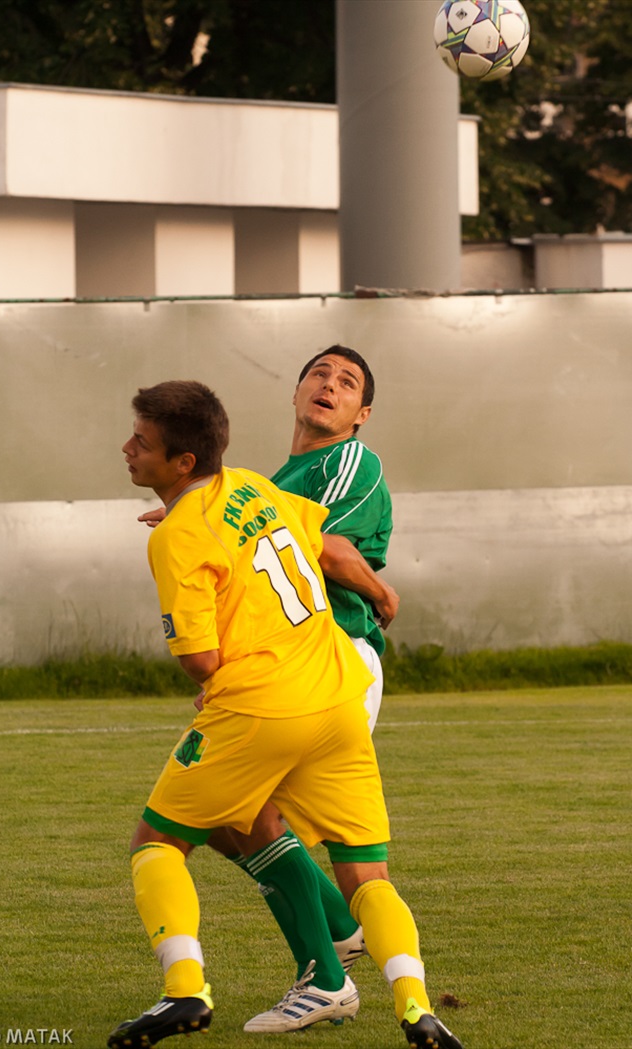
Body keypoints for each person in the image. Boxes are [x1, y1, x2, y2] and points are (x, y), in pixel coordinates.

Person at [111, 379, 464, 1049]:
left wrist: (185, 531)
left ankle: (185, 989)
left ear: (184, 462)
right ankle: (416, 1005)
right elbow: (314, 542)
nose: (127, 447)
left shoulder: (179, 536)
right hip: (336, 694)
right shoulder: (252, 484)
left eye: (142, 441)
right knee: (364, 874)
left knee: (157, 844)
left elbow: (202, 661)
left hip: (263, 707)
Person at [139, 346, 401, 1033]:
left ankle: (329, 962)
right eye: (319, 372)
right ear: (294, 391)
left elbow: (331, 548)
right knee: (239, 820)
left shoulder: (346, 461)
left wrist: (381, 593)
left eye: (347, 382)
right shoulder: (274, 474)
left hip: (330, 654)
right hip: (284, 663)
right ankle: (340, 938)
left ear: (361, 415)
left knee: (226, 820)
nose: (329, 384)